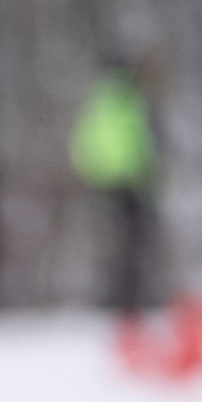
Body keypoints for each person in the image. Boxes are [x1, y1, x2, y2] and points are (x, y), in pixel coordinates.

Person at [71, 57, 158, 318]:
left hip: (106, 185)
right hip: (128, 185)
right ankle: (128, 303)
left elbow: (81, 147)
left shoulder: (98, 102)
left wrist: (95, 174)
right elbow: (140, 144)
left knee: (115, 246)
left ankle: (117, 300)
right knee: (132, 246)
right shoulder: (128, 102)